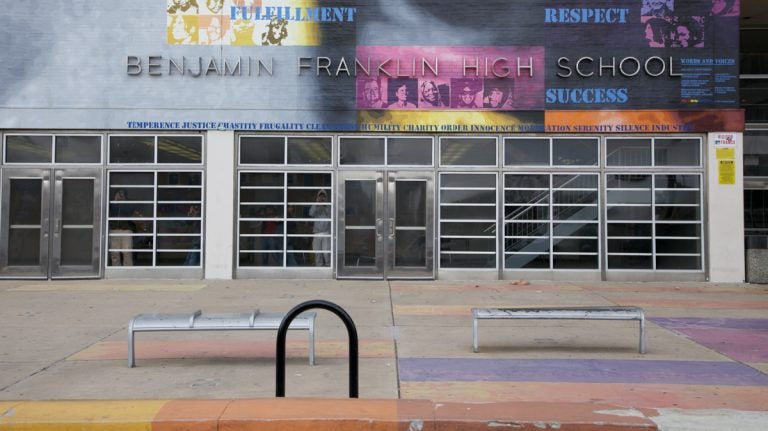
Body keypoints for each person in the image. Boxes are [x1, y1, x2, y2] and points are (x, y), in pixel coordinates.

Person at [109, 189, 134, 266]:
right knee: (114, 253)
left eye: (122, 194)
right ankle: (116, 269)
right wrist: (114, 201)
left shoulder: (129, 204)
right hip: (114, 230)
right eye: (119, 193)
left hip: (126, 230)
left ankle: (128, 270)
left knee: (127, 252)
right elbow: (107, 212)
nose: (120, 195)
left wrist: (124, 202)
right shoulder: (111, 203)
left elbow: (130, 213)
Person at [309, 190, 331, 267]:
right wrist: (317, 203)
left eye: (323, 196)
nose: (322, 198)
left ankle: (328, 267)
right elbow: (311, 213)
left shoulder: (329, 206)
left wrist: (325, 204)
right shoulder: (315, 205)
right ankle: (319, 267)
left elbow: (330, 215)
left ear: (326, 197)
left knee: (326, 253)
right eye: (320, 196)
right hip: (317, 233)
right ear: (317, 197)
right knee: (317, 253)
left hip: (326, 233)